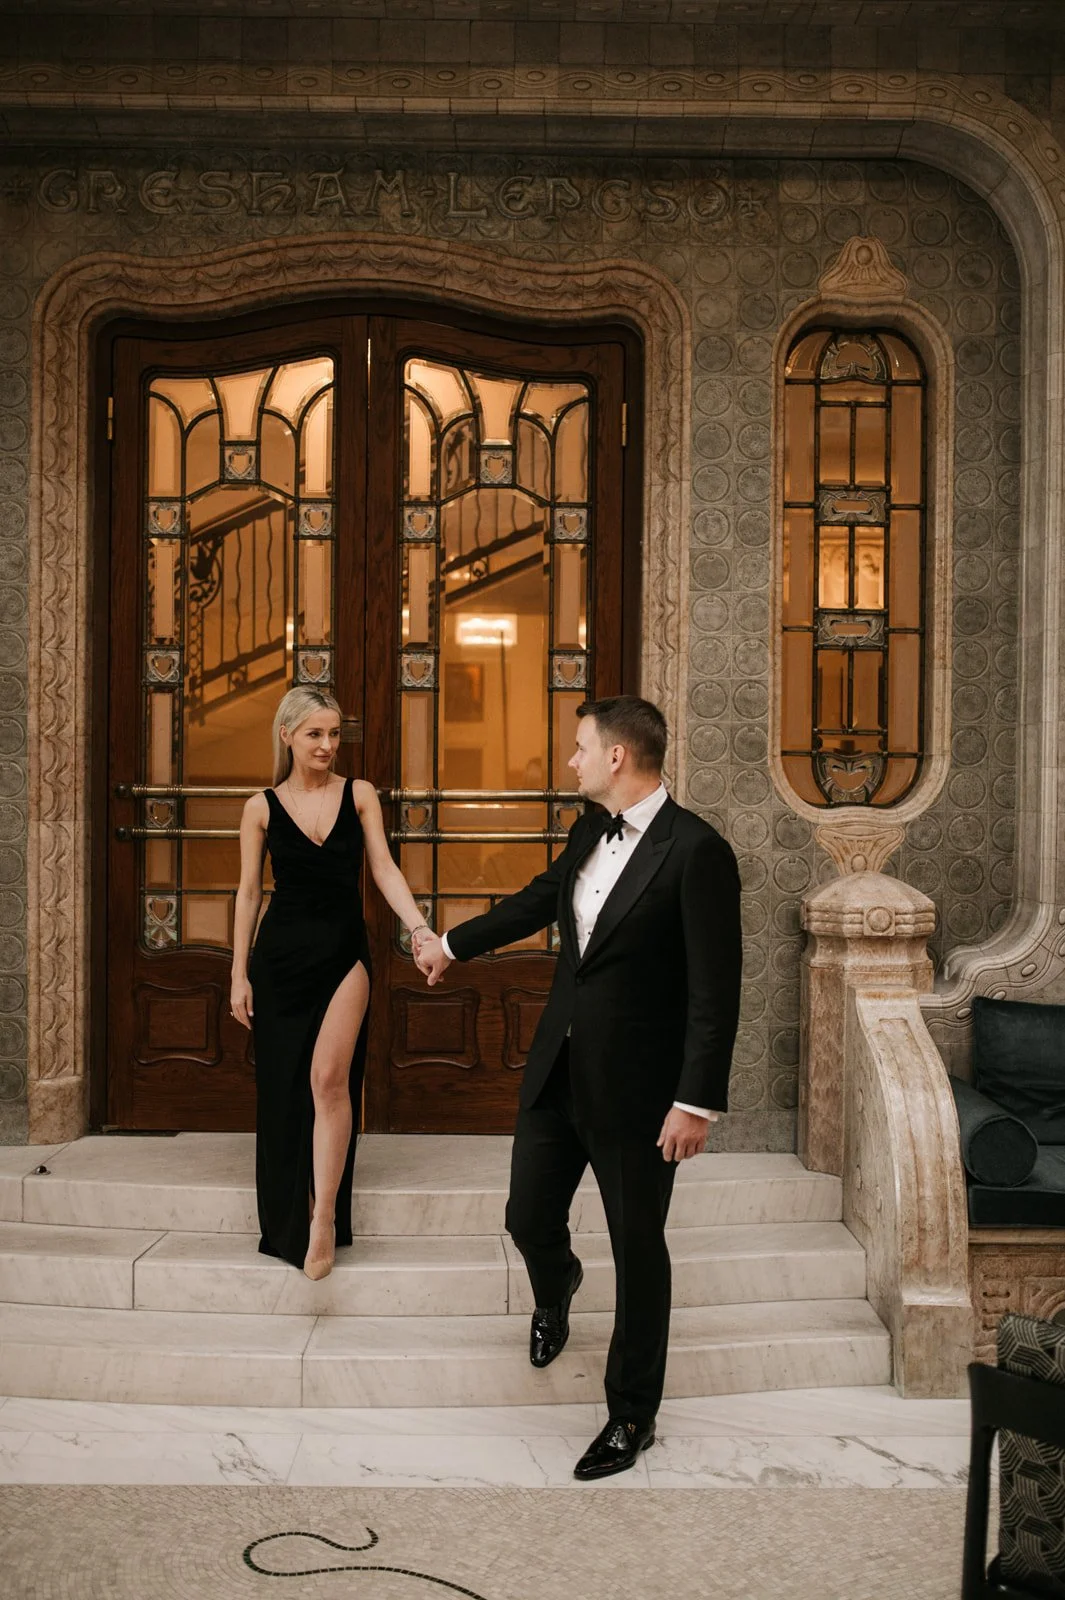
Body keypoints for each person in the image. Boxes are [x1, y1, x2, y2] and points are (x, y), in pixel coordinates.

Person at [416, 695, 741, 1480]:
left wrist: (693, 1101)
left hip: (640, 1094)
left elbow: (715, 989)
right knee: (526, 1214)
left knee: (637, 1250)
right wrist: (453, 943)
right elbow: (538, 900)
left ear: (618, 757)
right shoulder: (590, 828)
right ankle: (557, 1277)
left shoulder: (697, 852)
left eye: (579, 748)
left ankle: (631, 1415)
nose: (572, 761)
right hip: (558, 1067)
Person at [231, 687, 432, 1281]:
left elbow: (383, 868)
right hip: (280, 960)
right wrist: (237, 972)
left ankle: (324, 1219)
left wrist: (418, 928)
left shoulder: (360, 795)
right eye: (315, 733)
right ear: (288, 735)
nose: (327, 745)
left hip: (345, 954)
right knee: (286, 1089)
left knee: (327, 1079)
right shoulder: (260, 807)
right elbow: (247, 893)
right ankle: (293, 1212)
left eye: (335, 734)